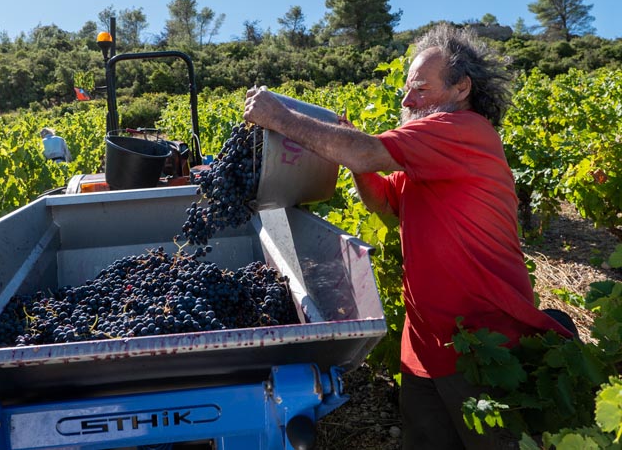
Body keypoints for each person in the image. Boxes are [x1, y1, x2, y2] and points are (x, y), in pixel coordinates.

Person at [243, 23, 573, 449]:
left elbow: (365, 152)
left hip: (481, 338)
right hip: (424, 339)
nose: (406, 99)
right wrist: (347, 150)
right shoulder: (429, 154)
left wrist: (280, 117)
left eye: (419, 88)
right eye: (406, 88)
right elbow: (385, 204)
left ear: (461, 88)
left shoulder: (462, 129)